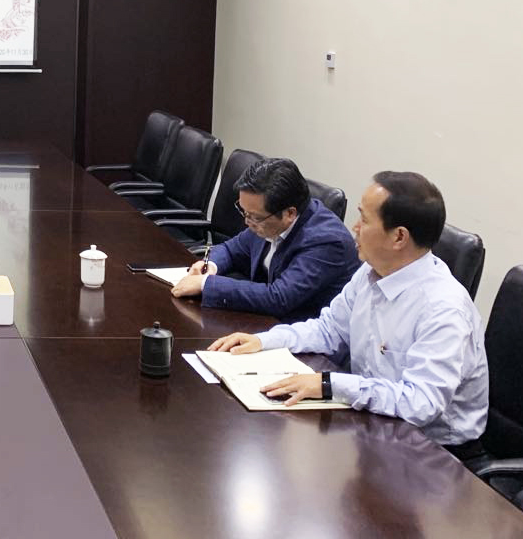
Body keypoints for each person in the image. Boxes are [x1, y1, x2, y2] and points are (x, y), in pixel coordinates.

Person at [209, 171, 488, 454]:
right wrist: (264, 340)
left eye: (364, 220)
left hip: (435, 452)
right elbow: (328, 330)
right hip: (373, 420)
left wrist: (329, 384)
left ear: (399, 237)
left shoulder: (444, 309)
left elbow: (420, 404)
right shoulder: (370, 272)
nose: (354, 227)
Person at [171, 157, 359, 322]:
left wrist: (205, 284)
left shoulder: (327, 241)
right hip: (262, 319)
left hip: (301, 335)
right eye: (244, 212)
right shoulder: (265, 218)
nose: (247, 222)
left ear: (290, 214)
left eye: (254, 216)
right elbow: (231, 249)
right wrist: (210, 266)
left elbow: (278, 298)